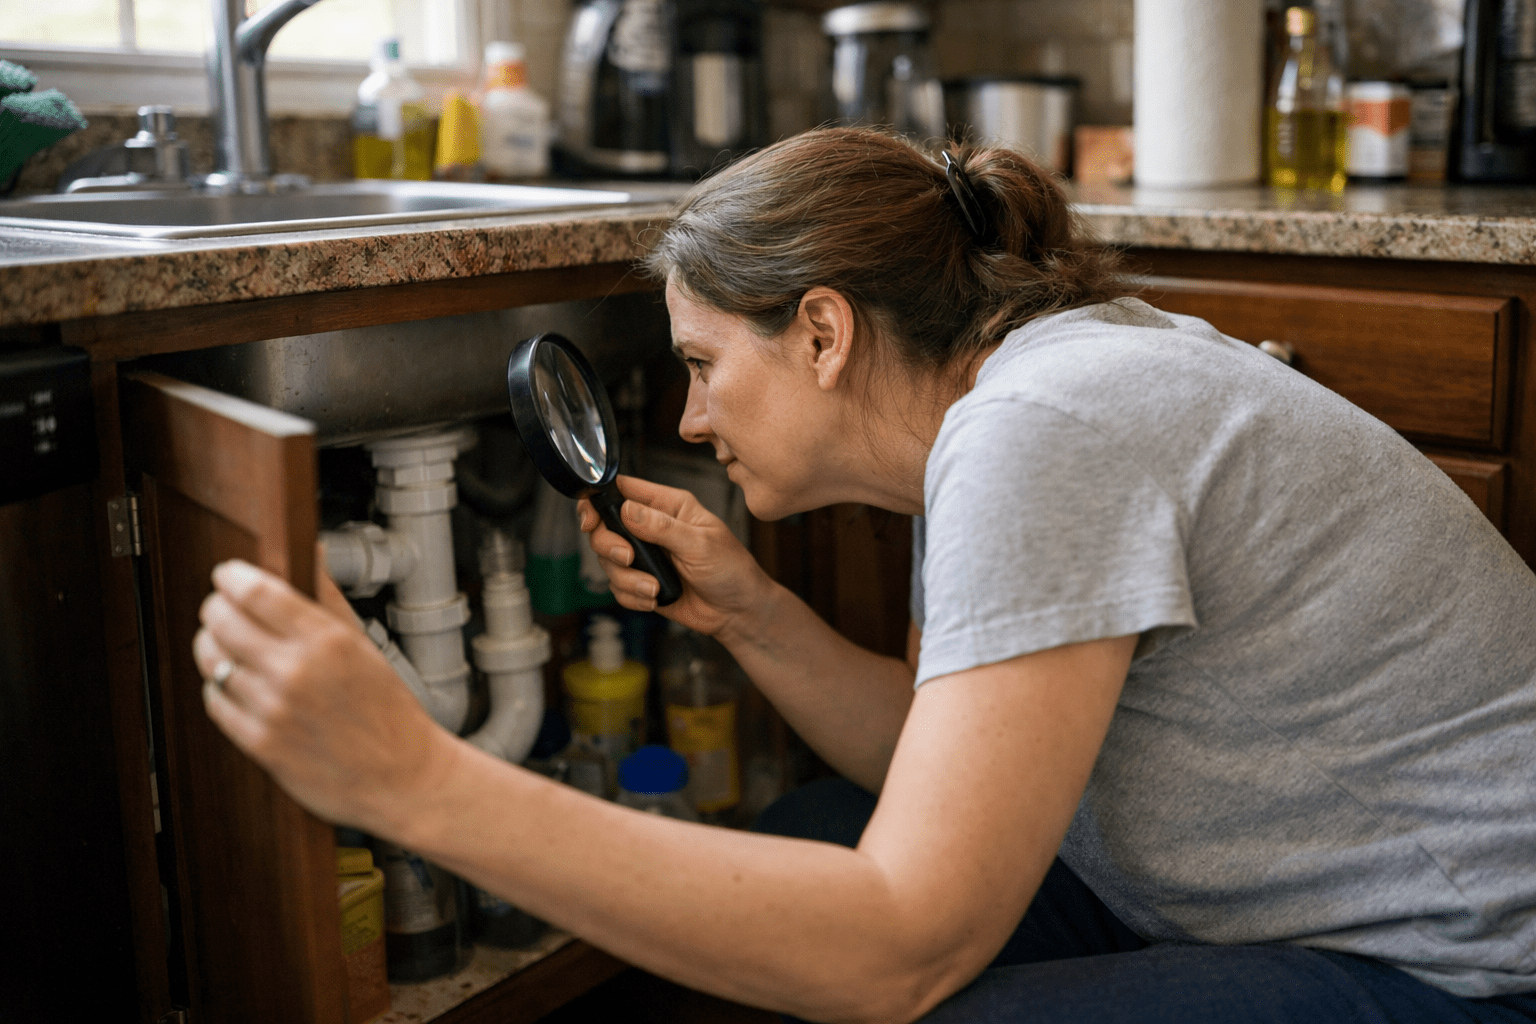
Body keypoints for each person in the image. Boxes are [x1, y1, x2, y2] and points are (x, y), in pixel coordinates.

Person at [192, 127, 1536, 1023]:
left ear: (824, 332)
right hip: (1246, 892)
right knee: (794, 853)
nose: (698, 419)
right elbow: (951, 773)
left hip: (1463, 969)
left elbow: (907, 944)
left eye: (707, 365)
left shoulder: (1042, 431)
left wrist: (414, 783)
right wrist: (756, 614)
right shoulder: (1021, 397)